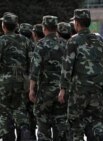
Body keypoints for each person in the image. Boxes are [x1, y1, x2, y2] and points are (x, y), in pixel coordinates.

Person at [58, 9, 103, 141]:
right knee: (97, 120)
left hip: (78, 89)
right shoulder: (100, 39)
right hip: (97, 87)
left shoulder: (73, 41)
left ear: (77, 23)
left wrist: (63, 89)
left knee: (75, 123)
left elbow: (67, 67)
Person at [29, 15, 68, 141]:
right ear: (56, 28)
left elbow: (34, 70)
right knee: (61, 122)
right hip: (62, 91)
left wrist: (31, 90)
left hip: (45, 92)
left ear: (44, 28)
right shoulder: (65, 43)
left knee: (43, 124)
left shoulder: (40, 44)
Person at [0, 12, 33, 141]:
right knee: (20, 108)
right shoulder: (26, 41)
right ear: (17, 26)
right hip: (22, 81)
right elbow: (32, 63)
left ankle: (7, 135)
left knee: (4, 111)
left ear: (3, 26)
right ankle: (24, 128)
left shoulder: (1, 41)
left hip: (4, 81)